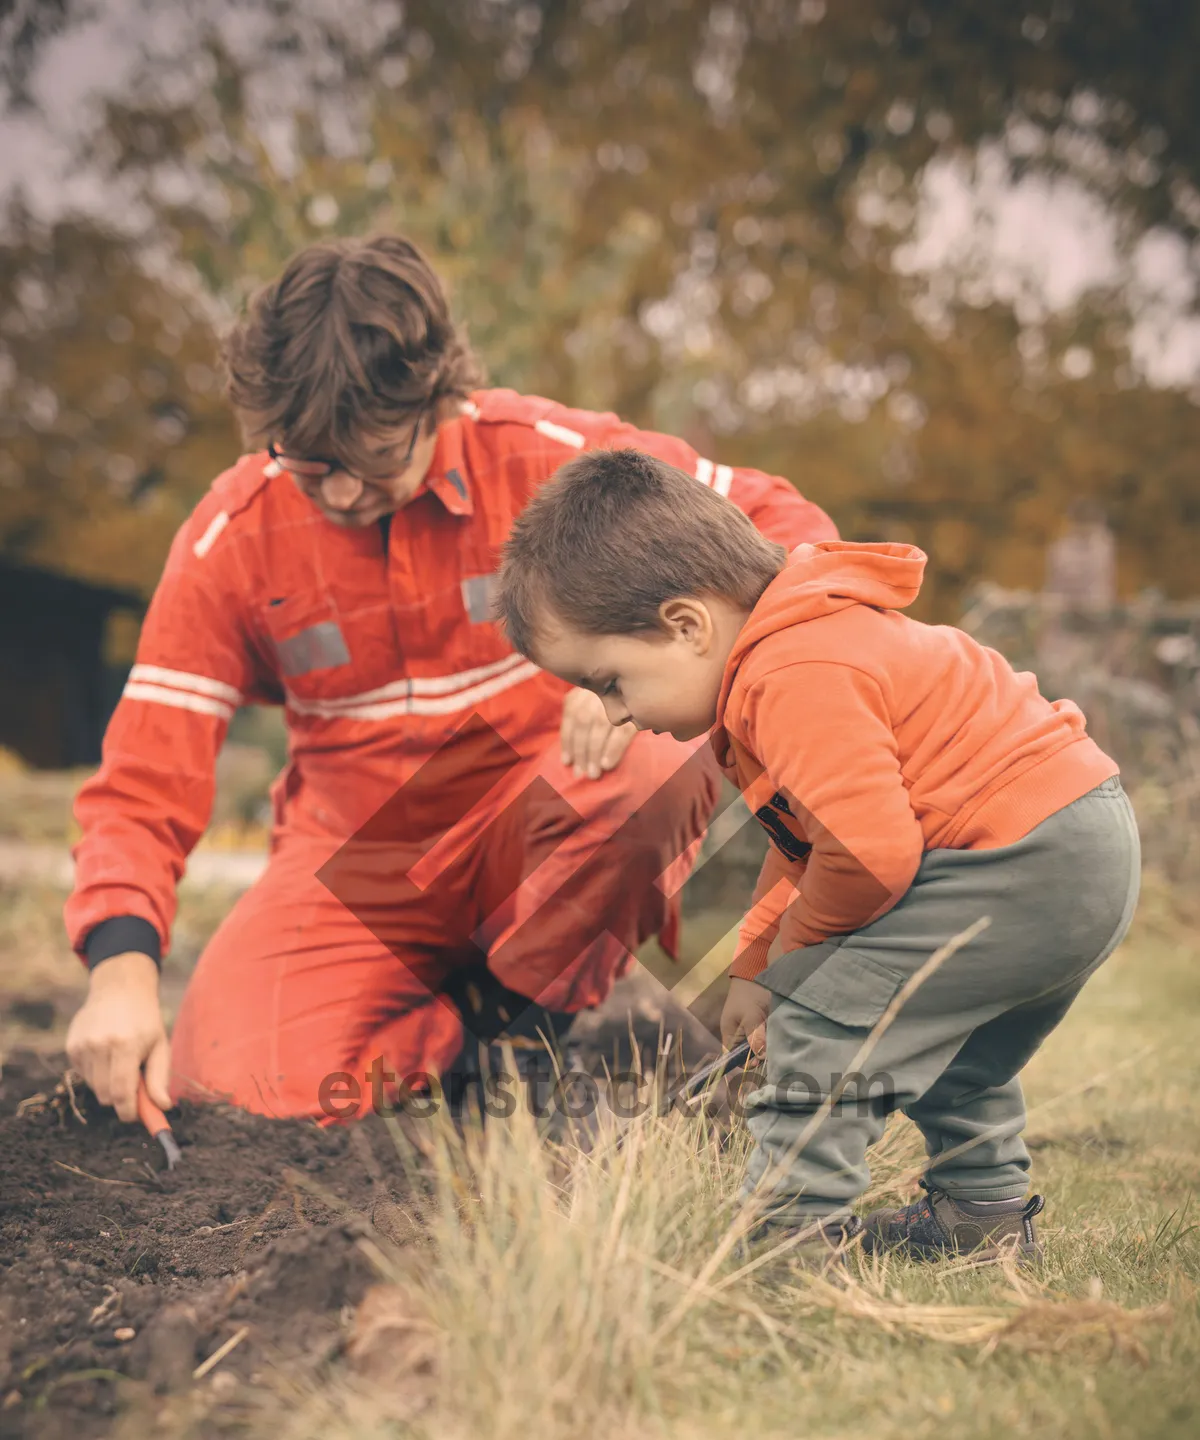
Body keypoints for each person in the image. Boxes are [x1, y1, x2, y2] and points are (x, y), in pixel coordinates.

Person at [64, 236, 836, 1124]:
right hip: (358, 853)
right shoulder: (228, 539)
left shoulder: (550, 456)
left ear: (438, 397)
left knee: (649, 766)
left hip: (543, 794)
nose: (346, 494)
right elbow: (142, 780)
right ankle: (465, 1044)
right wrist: (120, 975)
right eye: (312, 465)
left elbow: (793, 533)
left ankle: (532, 1016)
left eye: (378, 458)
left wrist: (622, 681)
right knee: (232, 1086)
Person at [495, 449, 1141, 1260]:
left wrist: (794, 975)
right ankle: (983, 1224)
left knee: (821, 1033)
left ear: (686, 626)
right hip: (1073, 845)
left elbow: (869, 860)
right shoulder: (785, 653)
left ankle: (786, 1240)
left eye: (611, 682)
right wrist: (755, 966)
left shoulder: (792, 671)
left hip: (1019, 859)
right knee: (953, 1049)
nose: (612, 715)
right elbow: (809, 846)